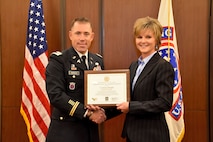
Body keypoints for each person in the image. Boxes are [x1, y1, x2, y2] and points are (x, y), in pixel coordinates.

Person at [45, 17, 106, 142]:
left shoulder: (97, 61)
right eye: (78, 33)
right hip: (66, 132)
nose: (82, 38)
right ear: (70, 35)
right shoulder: (59, 60)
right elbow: (56, 95)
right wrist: (87, 112)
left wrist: (104, 110)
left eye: (86, 34)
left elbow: (101, 93)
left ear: (92, 36)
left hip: (90, 132)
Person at [116, 16, 175, 142]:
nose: (143, 41)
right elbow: (126, 98)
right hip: (132, 133)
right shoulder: (134, 66)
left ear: (157, 40)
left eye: (148, 37)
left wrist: (131, 107)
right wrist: (100, 110)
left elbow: (164, 102)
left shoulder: (163, 66)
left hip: (151, 135)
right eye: (139, 37)